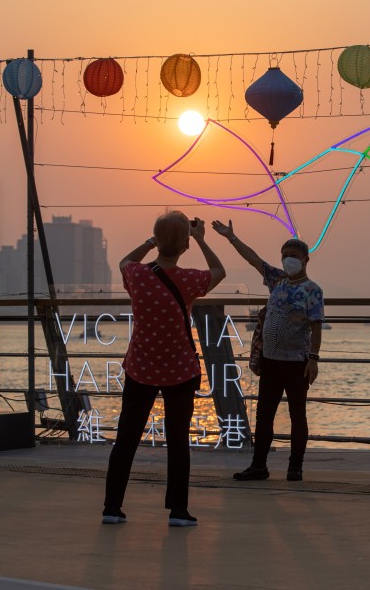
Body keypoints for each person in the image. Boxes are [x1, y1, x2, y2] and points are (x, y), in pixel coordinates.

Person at [103, 211, 225, 527]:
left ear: (156, 241)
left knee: (126, 438)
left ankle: (112, 507)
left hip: (140, 367)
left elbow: (124, 261)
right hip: (179, 370)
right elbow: (219, 271)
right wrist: (201, 239)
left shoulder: (137, 275)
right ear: (185, 245)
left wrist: (150, 242)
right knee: (178, 440)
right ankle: (178, 510)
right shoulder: (189, 280)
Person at [211, 220, 324, 482]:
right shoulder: (277, 280)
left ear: (305, 260)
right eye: (284, 255)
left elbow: (316, 327)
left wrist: (313, 359)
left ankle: (295, 467)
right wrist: (231, 237)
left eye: (293, 255)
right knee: (264, 415)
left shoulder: (313, 291)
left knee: (297, 415)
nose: (288, 260)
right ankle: (258, 465)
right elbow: (254, 260)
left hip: (297, 363)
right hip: (271, 361)